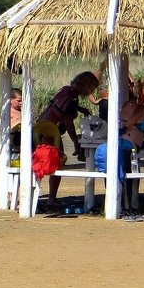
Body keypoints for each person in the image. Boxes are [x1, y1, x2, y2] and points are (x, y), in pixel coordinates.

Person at [38, 71, 99, 207]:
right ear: (87, 86)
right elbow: (68, 121)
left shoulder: (65, 90)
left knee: (43, 161)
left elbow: (60, 104)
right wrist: (76, 143)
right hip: (50, 132)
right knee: (56, 163)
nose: (92, 92)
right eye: (92, 88)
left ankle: (48, 197)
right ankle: (51, 198)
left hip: (41, 126)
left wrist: (81, 109)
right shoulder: (73, 98)